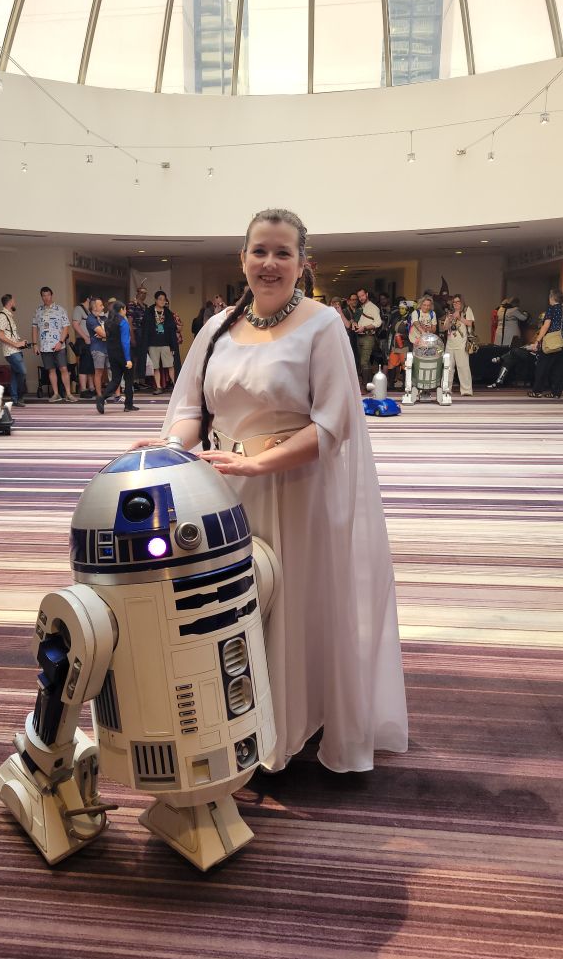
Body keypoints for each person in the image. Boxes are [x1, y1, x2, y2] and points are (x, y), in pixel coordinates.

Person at [149, 207, 408, 774]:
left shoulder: (322, 325)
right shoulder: (216, 328)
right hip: (220, 492)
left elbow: (332, 423)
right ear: (242, 258)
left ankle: (285, 734)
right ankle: (233, 722)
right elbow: (192, 407)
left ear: (301, 264)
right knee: (229, 610)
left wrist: (260, 465)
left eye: (282, 253)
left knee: (289, 611)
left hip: (294, 491)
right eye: (259, 251)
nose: (269, 263)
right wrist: (171, 446)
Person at [31, 286, 77, 403]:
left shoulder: (60, 309)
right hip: (45, 346)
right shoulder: (38, 311)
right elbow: (34, 328)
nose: (46, 297)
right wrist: (35, 344)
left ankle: (68, 393)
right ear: (41, 297)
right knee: (50, 370)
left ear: (52, 295)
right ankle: (56, 394)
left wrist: (60, 342)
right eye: (44, 295)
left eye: (48, 295)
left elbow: (66, 327)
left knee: (63, 368)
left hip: (58, 345)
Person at [529, 288, 563, 399]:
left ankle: (537, 391)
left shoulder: (551, 309)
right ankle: (556, 393)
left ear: (552, 298)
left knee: (543, 365)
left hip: (552, 340)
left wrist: (538, 340)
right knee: (559, 366)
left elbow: (546, 326)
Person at [95, 301, 138, 413]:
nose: (126, 311)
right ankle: (128, 405)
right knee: (129, 380)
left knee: (115, 380)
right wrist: (128, 359)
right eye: (125, 309)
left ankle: (102, 397)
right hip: (123, 354)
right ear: (121, 310)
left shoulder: (108, 322)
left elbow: (107, 338)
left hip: (112, 354)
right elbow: (125, 342)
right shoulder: (123, 322)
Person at [0, 294, 27, 406]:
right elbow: (0, 335)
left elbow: (9, 334)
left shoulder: (9, 316)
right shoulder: (2, 316)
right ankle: (19, 396)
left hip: (15, 350)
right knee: (22, 372)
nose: (15, 303)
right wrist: (16, 344)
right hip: (11, 351)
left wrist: (20, 343)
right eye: (14, 300)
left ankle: (15, 399)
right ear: (10, 302)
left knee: (15, 374)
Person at [143, 290, 178, 393]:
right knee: (155, 366)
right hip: (153, 343)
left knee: (170, 365)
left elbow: (172, 328)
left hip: (165, 343)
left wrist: (172, 345)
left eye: (164, 299)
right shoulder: (149, 311)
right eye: (160, 299)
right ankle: (158, 386)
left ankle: (175, 385)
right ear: (155, 300)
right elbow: (145, 328)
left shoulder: (168, 312)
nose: (162, 301)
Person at [441, 294, 475, 396]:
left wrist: (459, 317)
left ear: (462, 302)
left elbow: (470, 323)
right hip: (450, 344)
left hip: (462, 343)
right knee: (448, 367)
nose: (455, 304)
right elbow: (444, 328)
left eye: (458, 302)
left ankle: (466, 390)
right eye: (454, 302)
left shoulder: (467, 310)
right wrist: (450, 320)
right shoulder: (450, 312)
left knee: (463, 367)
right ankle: (445, 389)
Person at [353, 287, 381, 388]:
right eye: (359, 296)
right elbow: (356, 320)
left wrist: (364, 328)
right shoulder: (360, 307)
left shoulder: (373, 307)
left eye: (363, 295)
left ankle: (365, 386)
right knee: (365, 362)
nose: (361, 298)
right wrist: (354, 324)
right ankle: (369, 385)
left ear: (367, 294)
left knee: (364, 361)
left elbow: (378, 323)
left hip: (368, 336)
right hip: (359, 336)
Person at [71, 295, 96, 398]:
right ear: (88, 299)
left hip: (91, 341)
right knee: (84, 366)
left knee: (90, 365)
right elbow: (75, 324)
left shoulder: (89, 311)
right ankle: (83, 389)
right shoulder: (78, 309)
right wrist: (85, 337)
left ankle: (91, 387)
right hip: (83, 341)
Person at [127, 286, 150, 388]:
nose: (143, 295)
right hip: (136, 331)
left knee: (142, 357)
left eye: (145, 293)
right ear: (137, 293)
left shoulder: (145, 306)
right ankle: (133, 380)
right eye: (142, 292)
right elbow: (130, 322)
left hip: (144, 333)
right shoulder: (132, 304)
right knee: (134, 358)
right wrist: (132, 337)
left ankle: (141, 379)